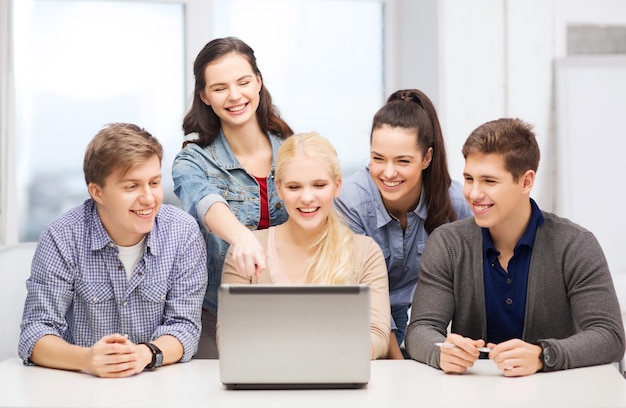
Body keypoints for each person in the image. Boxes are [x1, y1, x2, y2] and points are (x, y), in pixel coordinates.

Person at [405, 117, 626, 376]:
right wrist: (441, 351)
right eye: (469, 178)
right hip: (472, 393)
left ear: (526, 182)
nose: (474, 194)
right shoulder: (447, 244)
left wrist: (544, 355)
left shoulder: (575, 245)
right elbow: (420, 329)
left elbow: (610, 336)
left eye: (489, 181)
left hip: (558, 393)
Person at [18, 123, 208, 378]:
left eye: (154, 182)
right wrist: (87, 359)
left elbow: (184, 327)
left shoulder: (183, 232)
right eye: (132, 186)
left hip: (158, 386)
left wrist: (144, 355)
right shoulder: (61, 236)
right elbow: (36, 332)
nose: (149, 198)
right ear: (97, 192)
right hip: (76, 385)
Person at [171, 37, 294, 358]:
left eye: (243, 82)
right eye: (220, 87)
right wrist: (242, 237)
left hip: (294, 309)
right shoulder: (192, 161)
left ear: (258, 82)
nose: (235, 95)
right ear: (204, 96)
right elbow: (206, 203)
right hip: (219, 315)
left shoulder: (294, 149)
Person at [220, 132, 391, 359]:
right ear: (278, 189)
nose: (307, 197)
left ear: (337, 186)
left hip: (340, 383)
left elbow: (378, 336)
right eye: (294, 187)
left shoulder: (366, 253)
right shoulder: (246, 251)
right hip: (265, 386)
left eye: (319, 185)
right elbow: (229, 340)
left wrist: (327, 356)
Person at [335, 89, 472, 359]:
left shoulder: (456, 203)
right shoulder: (350, 202)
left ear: (427, 158)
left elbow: (471, 287)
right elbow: (360, 294)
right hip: (366, 323)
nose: (388, 172)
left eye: (403, 161)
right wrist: (402, 365)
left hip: (431, 323)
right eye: (378, 158)